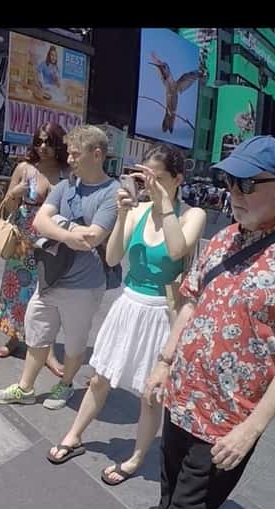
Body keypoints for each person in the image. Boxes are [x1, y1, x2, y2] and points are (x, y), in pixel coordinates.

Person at [142, 136, 275, 509]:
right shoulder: (224, 238)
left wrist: (251, 429)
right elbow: (191, 303)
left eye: (247, 184)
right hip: (181, 397)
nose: (235, 193)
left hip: (225, 422)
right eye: (230, 182)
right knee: (167, 490)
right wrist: (163, 363)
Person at [46, 145, 207, 485]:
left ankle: (135, 457)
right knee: (101, 375)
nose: (149, 185)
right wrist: (121, 216)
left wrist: (165, 206)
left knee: (151, 395)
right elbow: (113, 257)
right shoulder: (137, 212)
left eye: (158, 179)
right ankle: (74, 435)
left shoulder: (192, 215)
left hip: (163, 314)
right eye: (144, 177)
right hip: (128, 305)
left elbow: (178, 251)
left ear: (178, 179)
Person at [0, 125, 120, 410]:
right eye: (69, 154)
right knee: (36, 333)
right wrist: (71, 233)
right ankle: (25, 387)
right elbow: (39, 222)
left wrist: (59, 226)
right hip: (49, 275)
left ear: (96, 155)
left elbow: (93, 238)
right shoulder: (64, 186)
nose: (70, 159)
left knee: (74, 343)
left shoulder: (112, 193)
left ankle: (65, 385)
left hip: (84, 284)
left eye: (75, 154)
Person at [0, 124, 70, 378]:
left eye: (49, 142)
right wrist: (15, 193)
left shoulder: (66, 172)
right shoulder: (24, 169)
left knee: (49, 296)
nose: (43, 147)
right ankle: (14, 338)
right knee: (18, 292)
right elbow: (6, 205)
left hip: (53, 243)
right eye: (39, 142)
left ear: (59, 143)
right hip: (24, 242)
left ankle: (46, 350)